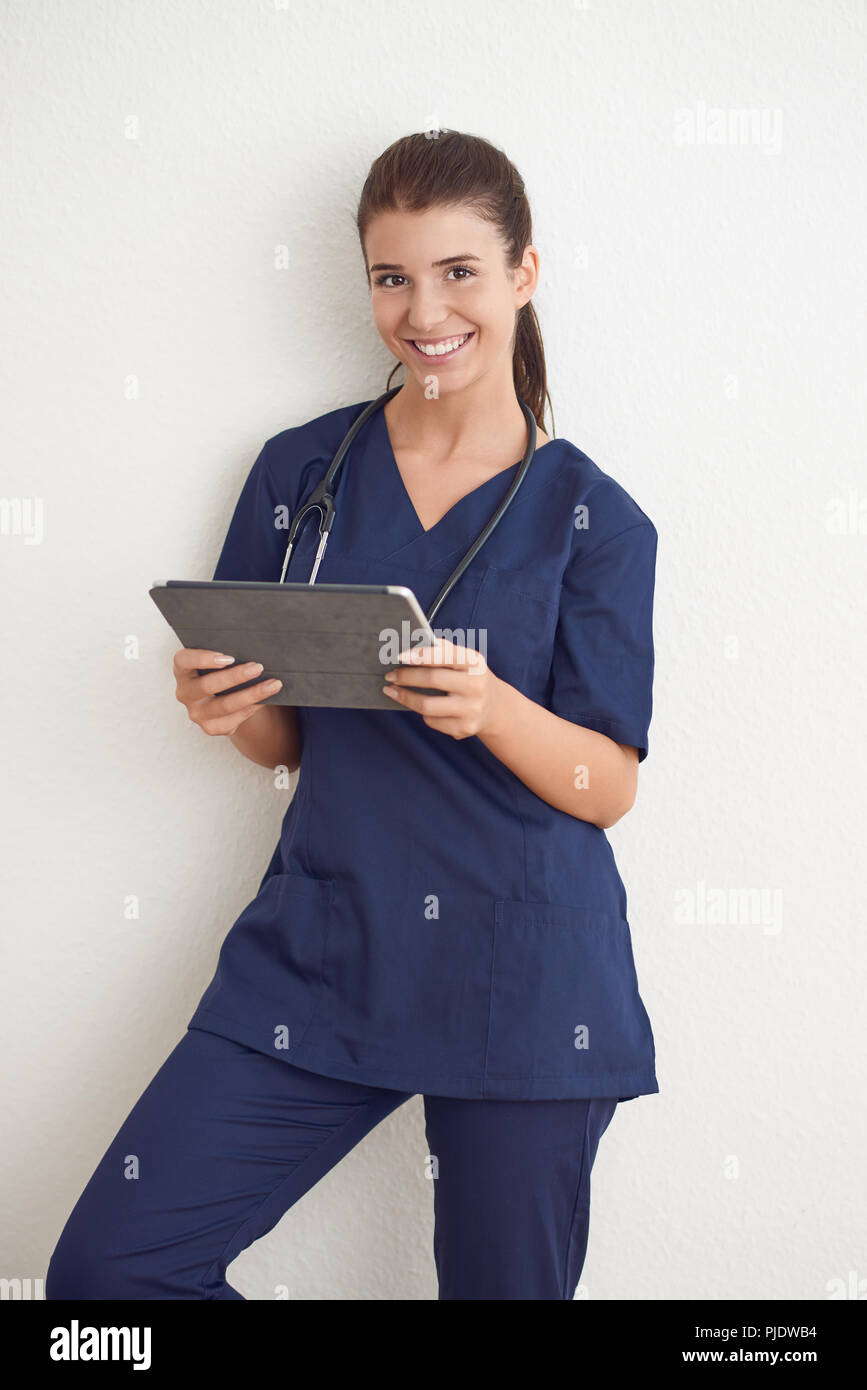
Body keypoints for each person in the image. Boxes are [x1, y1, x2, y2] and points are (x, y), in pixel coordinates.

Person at [46, 129, 659, 1302]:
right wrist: (228, 712)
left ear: (526, 272)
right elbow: (288, 735)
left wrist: (490, 709)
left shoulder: (597, 518)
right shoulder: (298, 474)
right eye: (391, 276)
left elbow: (611, 786)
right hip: (324, 948)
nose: (423, 310)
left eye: (459, 271)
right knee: (109, 1277)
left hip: (523, 976)